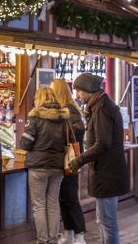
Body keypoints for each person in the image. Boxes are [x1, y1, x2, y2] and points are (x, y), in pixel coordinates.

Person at [66, 73, 129, 244]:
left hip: (108, 173)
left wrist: (79, 160)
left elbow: (103, 144)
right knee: (104, 220)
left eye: (78, 91)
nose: (77, 95)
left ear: (87, 90)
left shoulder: (102, 108)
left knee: (107, 222)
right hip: (106, 172)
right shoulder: (99, 106)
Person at [21, 87, 70, 244]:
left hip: (38, 166)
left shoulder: (35, 118)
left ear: (39, 98)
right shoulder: (63, 118)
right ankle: (53, 239)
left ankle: (42, 240)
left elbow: (26, 143)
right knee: (53, 204)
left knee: (39, 206)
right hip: (57, 166)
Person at [51, 80, 86, 244]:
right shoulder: (65, 109)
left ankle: (79, 235)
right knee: (63, 198)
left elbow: (76, 133)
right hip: (64, 160)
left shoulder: (69, 111)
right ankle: (69, 233)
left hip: (70, 160)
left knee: (70, 197)